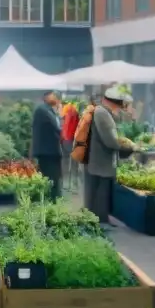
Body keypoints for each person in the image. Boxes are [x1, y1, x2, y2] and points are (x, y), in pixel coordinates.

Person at [84, 86, 135, 225]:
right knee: (100, 192)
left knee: (100, 191)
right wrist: (128, 147)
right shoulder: (102, 113)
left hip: (100, 160)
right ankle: (99, 220)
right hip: (100, 161)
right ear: (115, 102)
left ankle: (100, 218)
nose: (122, 107)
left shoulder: (104, 112)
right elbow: (110, 140)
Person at [31, 91, 63, 201]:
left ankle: (53, 198)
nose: (56, 97)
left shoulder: (48, 110)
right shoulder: (43, 110)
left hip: (51, 151)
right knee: (51, 176)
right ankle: (51, 199)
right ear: (46, 97)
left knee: (53, 176)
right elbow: (57, 128)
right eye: (53, 95)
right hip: (47, 151)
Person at [61, 101, 81, 191]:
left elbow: (63, 128)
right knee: (74, 163)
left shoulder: (65, 112)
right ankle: (74, 185)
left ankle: (66, 184)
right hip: (74, 140)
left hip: (66, 140)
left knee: (65, 161)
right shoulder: (75, 113)